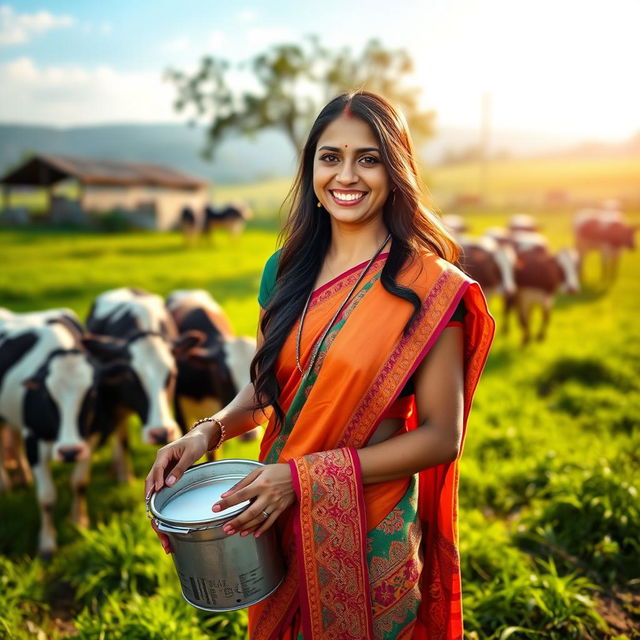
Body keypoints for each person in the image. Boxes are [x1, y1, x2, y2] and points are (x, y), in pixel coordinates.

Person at [145, 90, 495, 640]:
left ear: (395, 168)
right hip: (272, 510)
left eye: (368, 158)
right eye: (330, 157)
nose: (346, 175)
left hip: (369, 520)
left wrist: (302, 478)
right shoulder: (283, 269)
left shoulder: (427, 287)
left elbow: (440, 437)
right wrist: (207, 433)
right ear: (311, 166)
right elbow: (266, 393)